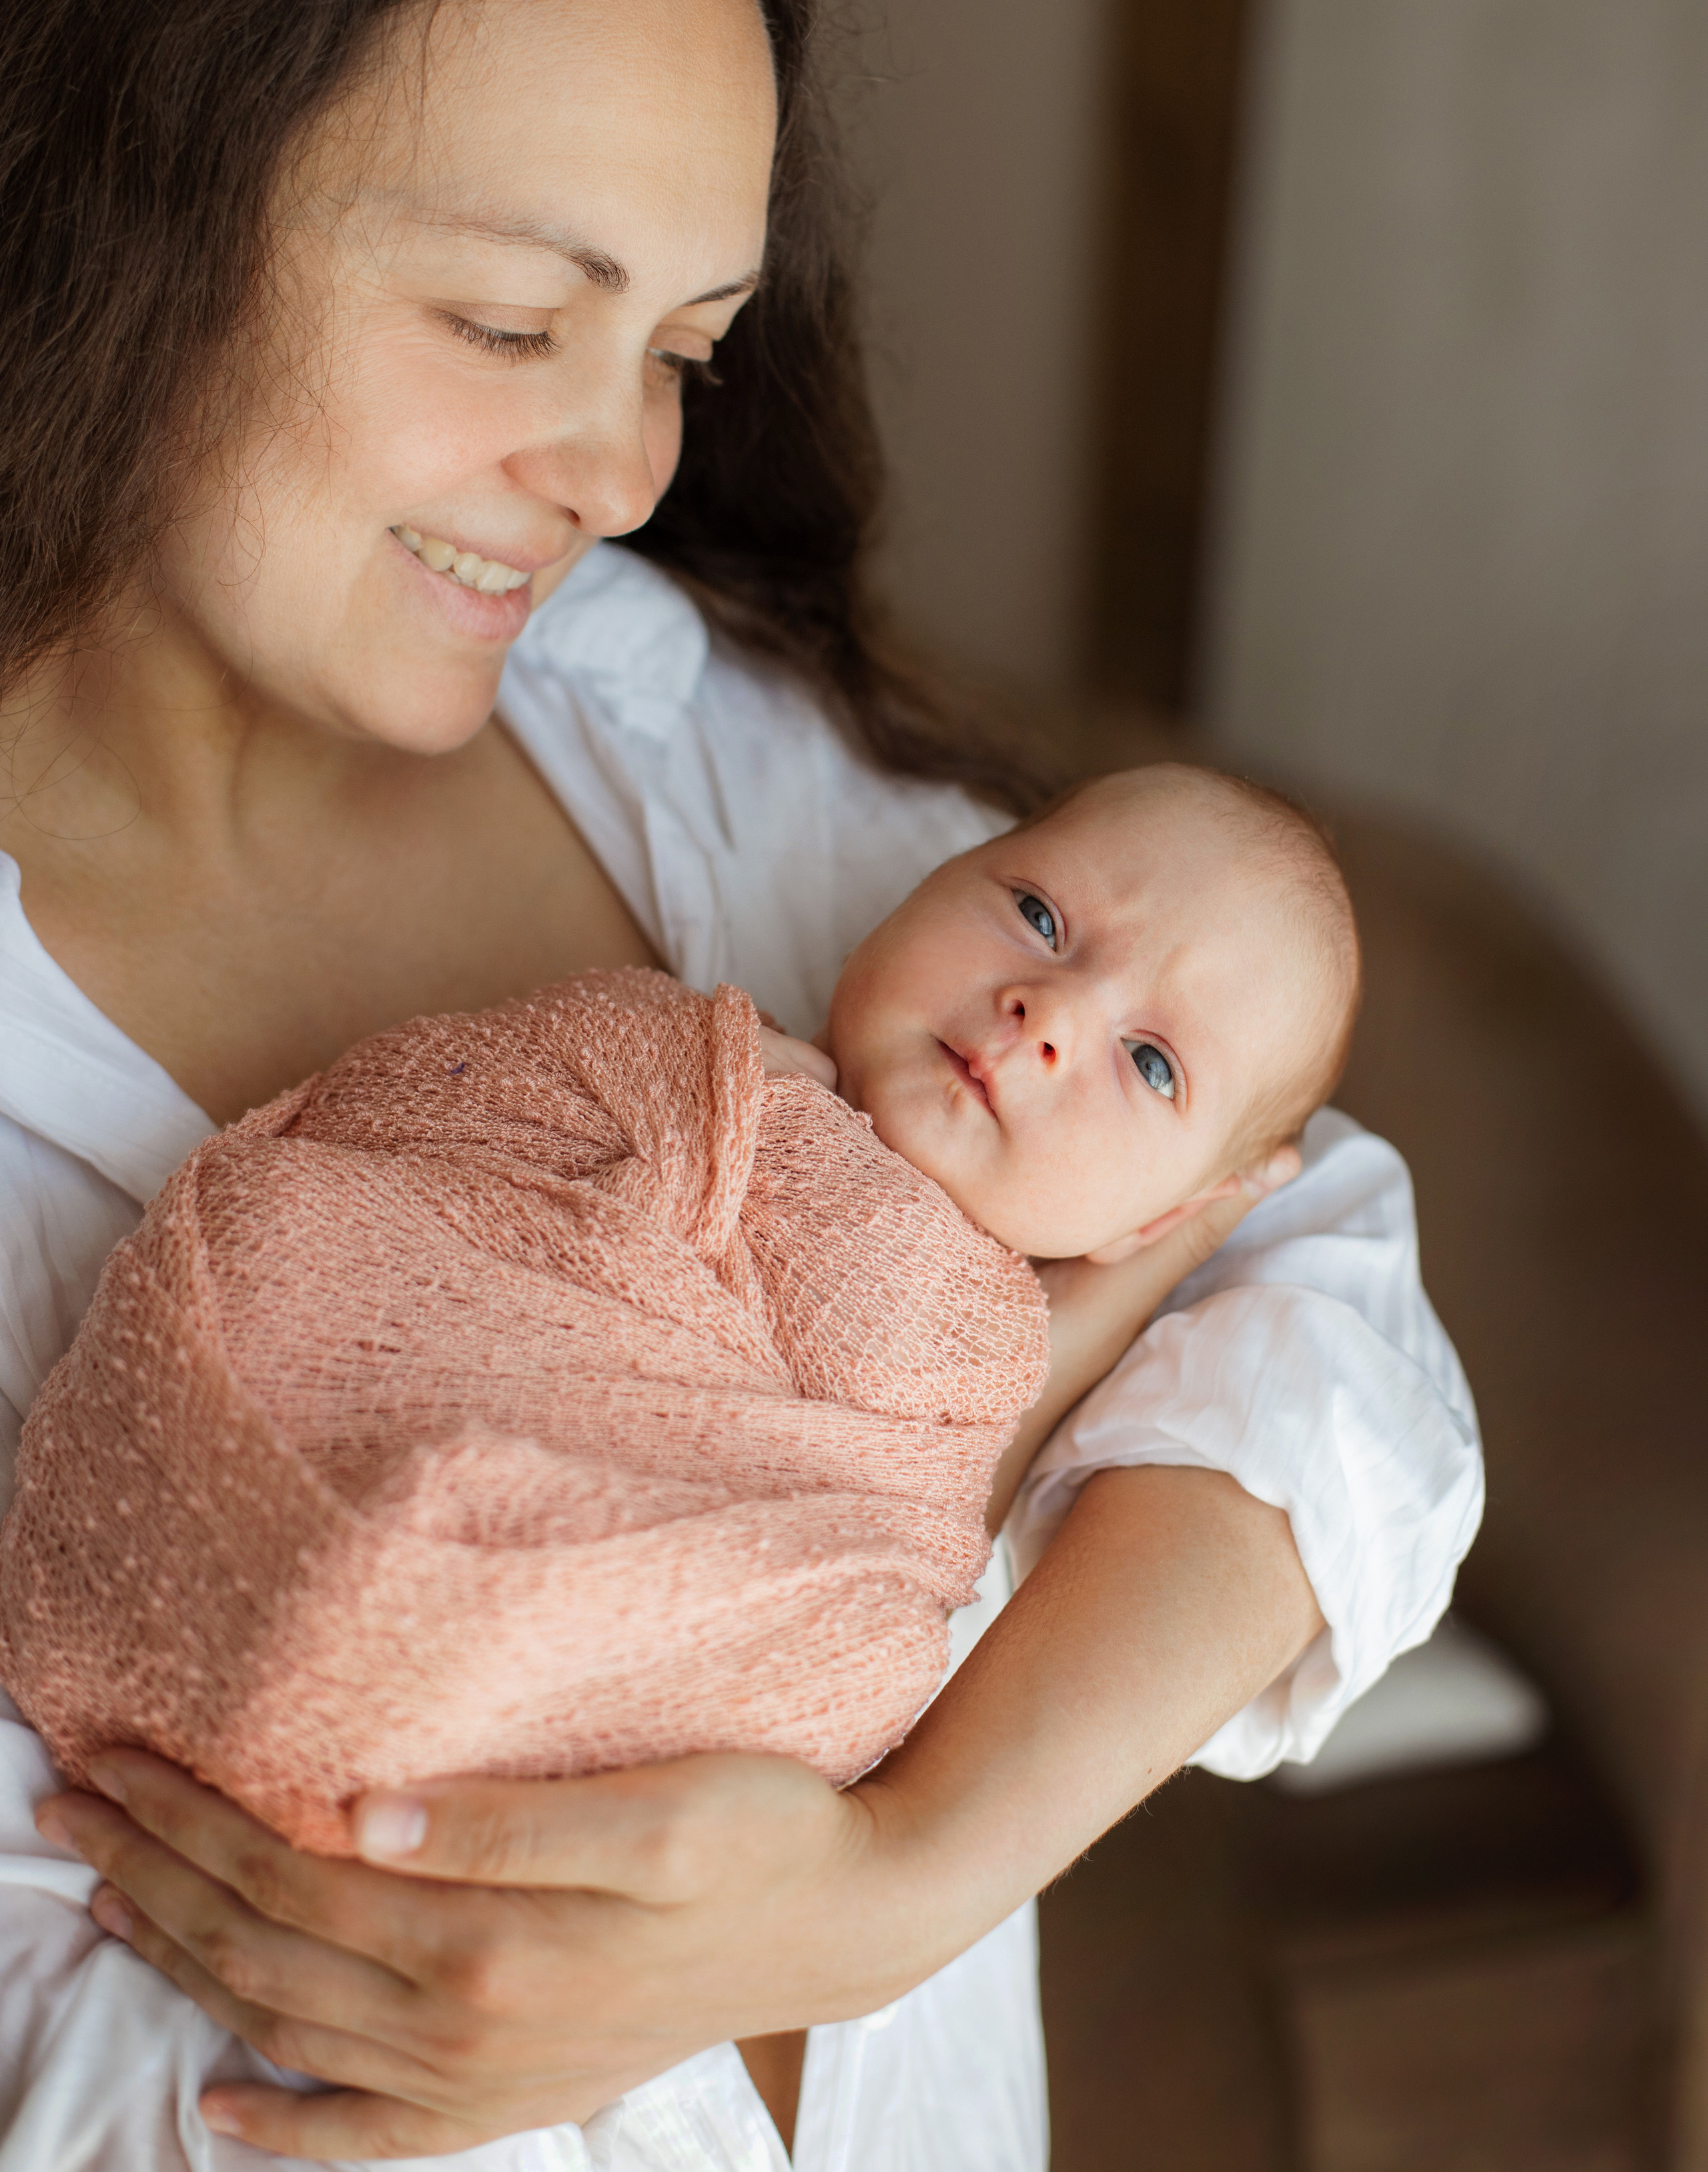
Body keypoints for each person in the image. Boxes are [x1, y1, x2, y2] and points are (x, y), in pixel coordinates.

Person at [0, 0, 1482, 2169]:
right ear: (121, 197)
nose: (616, 473)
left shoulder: (659, 729)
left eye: (685, 347)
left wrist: (896, 1881)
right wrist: (493, 2005)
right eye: (512, 321)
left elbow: (1316, 1271)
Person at [3, 763, 1363, 1865]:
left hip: (473, 1652)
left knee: (869, 1649)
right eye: (1038, 914)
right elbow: (403, 1115)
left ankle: (375, 1637)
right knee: (282, 1231)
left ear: (1156, 1224)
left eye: (1150, 1063)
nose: (1047, 1009)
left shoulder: (965, 1332)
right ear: (927, 881)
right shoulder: (675, 1055)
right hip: (295, 1410)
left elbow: (909, 1520)